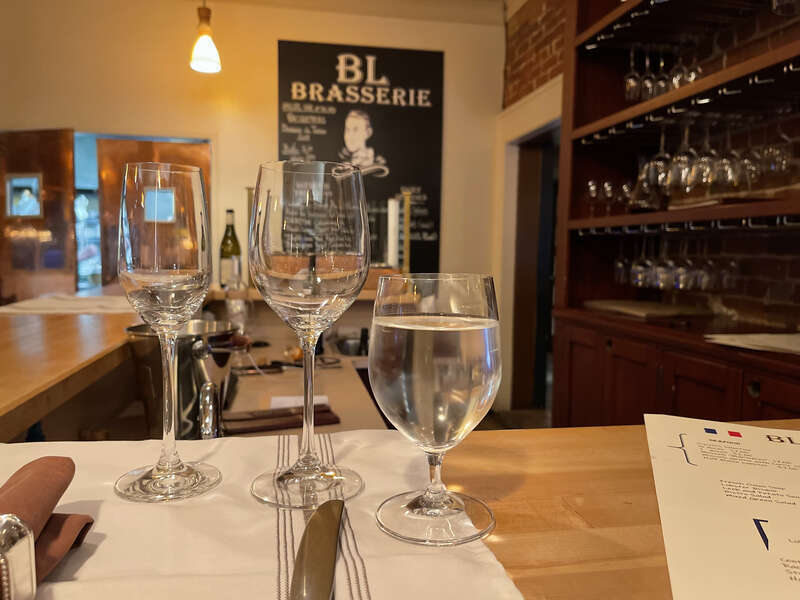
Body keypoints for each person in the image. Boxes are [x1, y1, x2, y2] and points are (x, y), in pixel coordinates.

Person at [339, 110, 388, 176]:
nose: (350, 136)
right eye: (347, 129)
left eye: (355, 130)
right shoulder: (342, 163)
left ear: (368, 132)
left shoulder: (379, 163)